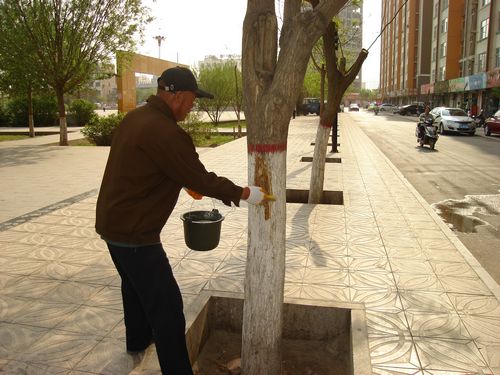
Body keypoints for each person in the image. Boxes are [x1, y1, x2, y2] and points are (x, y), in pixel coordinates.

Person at [95, 66, 269, 375]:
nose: (193, 107)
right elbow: (202, 179)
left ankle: (137, 341)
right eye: (192, 100)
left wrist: (179, 177)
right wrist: (245, 193)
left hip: (112, 225)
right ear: (177, 96)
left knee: (134, 288)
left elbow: (153, 165)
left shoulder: (136, 118)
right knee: (168, 309)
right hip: (135, 234)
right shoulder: (167, 132)